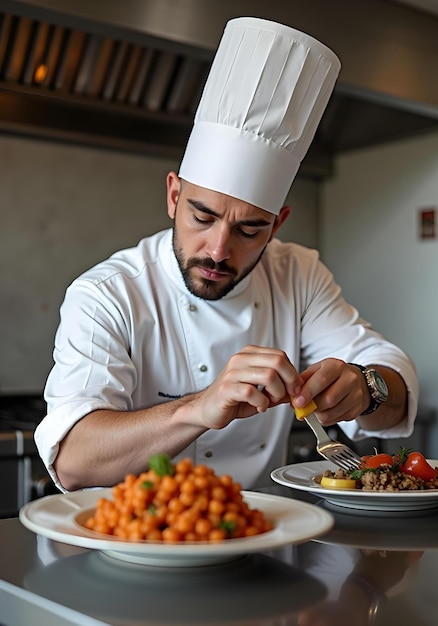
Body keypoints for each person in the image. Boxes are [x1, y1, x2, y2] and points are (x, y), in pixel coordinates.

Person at [35, 17, 418, 493]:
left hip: (263, 544)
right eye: (202, 216)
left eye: (250, 229)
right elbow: (73, 462)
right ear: (174, 195)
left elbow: (393, 386)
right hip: (134, 549)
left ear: (277, 225)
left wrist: (366, 388)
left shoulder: (296, 273)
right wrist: (198, 408)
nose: (218, 249)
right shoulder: (108, 294)